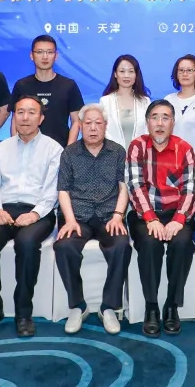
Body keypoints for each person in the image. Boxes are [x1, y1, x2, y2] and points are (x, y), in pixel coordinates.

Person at [0, 95, 62, 338]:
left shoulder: (53, 149)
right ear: (14, 116)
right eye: (20, 112)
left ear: (41, 118)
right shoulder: (0, 149)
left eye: (32, 112)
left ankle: (23, 313)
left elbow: (52, 190)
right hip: (4, 208)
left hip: (38, 210)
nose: (25, 117)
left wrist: (34, 214)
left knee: (27, 243)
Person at [53, 104, 132, 335]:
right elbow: (63, 190)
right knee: (64, 246)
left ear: (106, 126)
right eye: (88, 123)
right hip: (77, 216)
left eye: (98, 123)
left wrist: (118, 216)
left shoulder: (117, 151)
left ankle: (109, 307)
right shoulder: (69, 153)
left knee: (121, 245)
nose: (93, 128)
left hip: (109, 215)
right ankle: (78, 306)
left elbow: (124, 187)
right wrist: (69, 220)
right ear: (80, 126)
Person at [127, 99, 195, 337]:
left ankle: (171, 305)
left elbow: (190, 189)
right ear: (147, 122)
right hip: (145, 214)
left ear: (173, 123)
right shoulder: (137, 146)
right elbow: (135, 185)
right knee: (150, 244)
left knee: (182, 244)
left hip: (177, 213)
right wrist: (151, 219)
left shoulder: (184, 149)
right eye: (155, 117)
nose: (159, 123)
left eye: (165, 118)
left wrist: (178, 220)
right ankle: (151, 306)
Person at [10, 35, 85, 146]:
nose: (45, 57)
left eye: (50, 52)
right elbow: (15, 120)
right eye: (39, 52)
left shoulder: (69, 85)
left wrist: (69, 150)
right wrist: (15, 146)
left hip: (60, 148)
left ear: (56, 56)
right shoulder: (22, 85)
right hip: (27, 148)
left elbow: (76, 121)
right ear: (31, 55)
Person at [99, 54, 151, 149]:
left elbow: (149, 131)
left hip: (140, 155)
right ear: (115, 74)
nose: (126, 75)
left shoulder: (145, 102)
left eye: (131, 71)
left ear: (136, 75)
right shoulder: (105, 101)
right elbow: (102, 131)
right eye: (122, 71)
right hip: (112, 154)